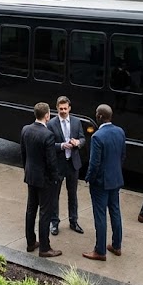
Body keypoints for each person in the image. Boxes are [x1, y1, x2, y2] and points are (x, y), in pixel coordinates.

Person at [82, 104, 126, 261]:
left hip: (100, 183)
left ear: (100, 116)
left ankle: (100, 251)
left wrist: (89, 178)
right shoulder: (120, 131)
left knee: (100, 216)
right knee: (115, 212)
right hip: (116, 179)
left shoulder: (97, 137)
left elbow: (94, 163)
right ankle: (117, 245)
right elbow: (122, 156)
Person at [21, 102, 62, 258]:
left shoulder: (25, 130)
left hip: (31, 176)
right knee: (45, 213)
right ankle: (44, 247)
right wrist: (55, 178)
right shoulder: (48, 135)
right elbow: (51, 162)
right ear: (47, 115)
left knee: (31, 209)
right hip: (45, 180)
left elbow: (23, 153)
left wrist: (27, 170)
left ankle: (31, 242)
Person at [46, 96, 85, 236]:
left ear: (69, 108)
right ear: (57, 108)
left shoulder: (76, 122)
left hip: (72, 164)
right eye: (61, 109)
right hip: (58, 164)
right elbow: (49, 144)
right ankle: (54, 222)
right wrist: (62, 146)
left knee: (72, 194)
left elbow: (83, 138)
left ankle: (73, 221)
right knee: (54, 195)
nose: (63, 111)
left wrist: (78, 143)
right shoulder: (51, 124)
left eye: (65, 108)